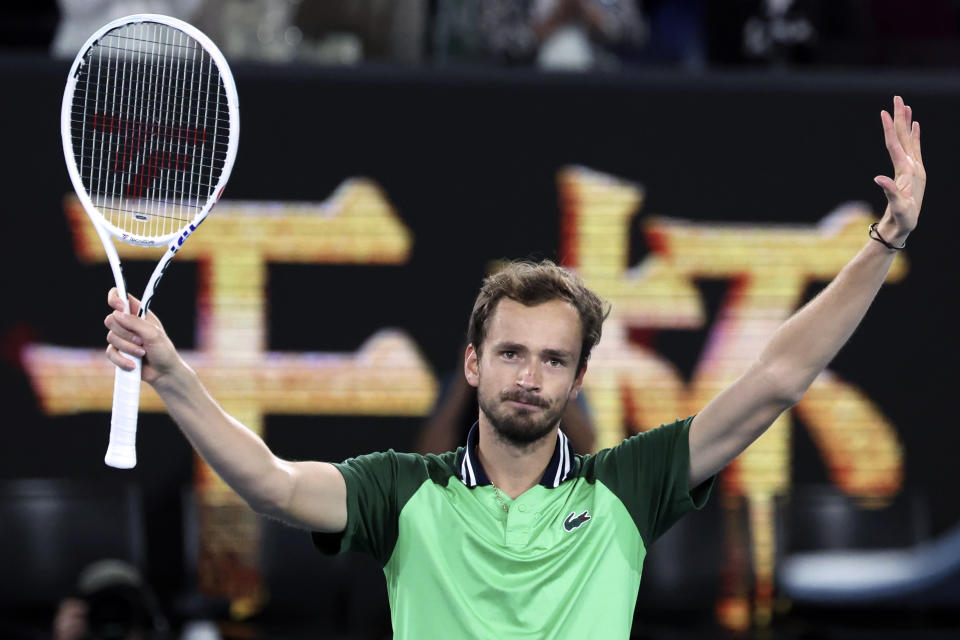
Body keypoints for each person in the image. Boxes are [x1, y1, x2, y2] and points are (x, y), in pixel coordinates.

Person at [103, 96, 924, 638]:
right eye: (512, 354)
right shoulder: (402, 491)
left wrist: (883, 241)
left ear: (576, 380)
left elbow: (777, 377)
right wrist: (171, 373)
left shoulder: (627, 489)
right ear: (472, 363)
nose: (530, 376)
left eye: (552, 360)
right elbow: (276, 487)